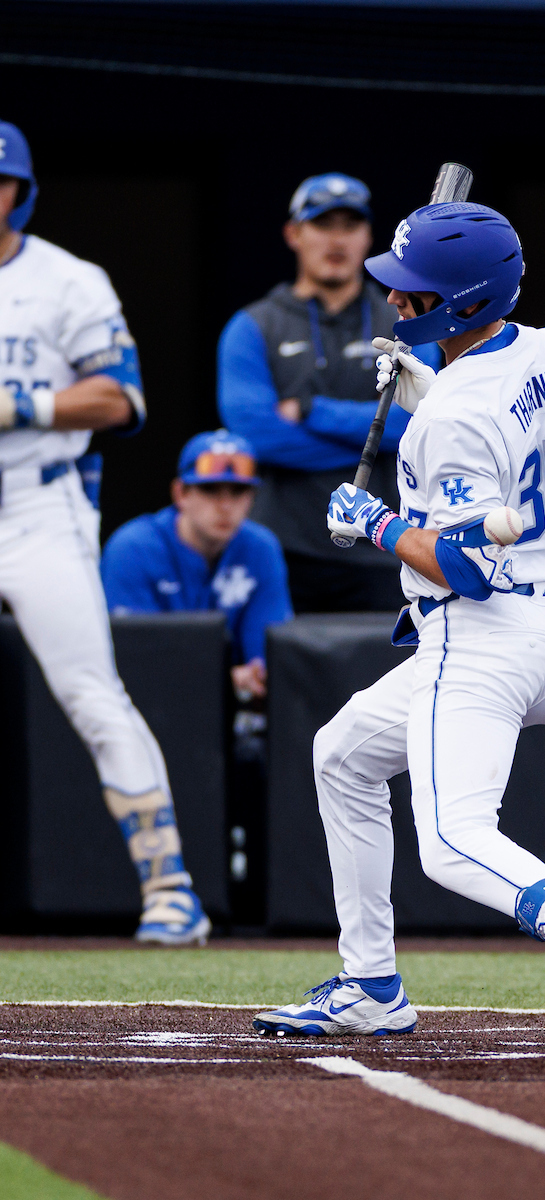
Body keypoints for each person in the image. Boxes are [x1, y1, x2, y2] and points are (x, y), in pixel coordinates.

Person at [253, 201, 545, 1051]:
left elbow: (465, 565)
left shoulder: (448, 423)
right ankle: (371, 986)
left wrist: (375, 523)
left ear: (465, 300)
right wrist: (433, 385)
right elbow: (497, 419)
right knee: (342, 756)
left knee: (450, 840)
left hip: (477, 634)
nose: (395, 300)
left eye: (414, 291)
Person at [0, 120, 209, 944]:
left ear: (20, 190)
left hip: (36, 506)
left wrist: (16, 404)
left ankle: (170, 888)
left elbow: (122, 398)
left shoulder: (66, 279)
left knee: (91, 693)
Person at [217, 173, 441, 614]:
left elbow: (418, 423)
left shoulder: (407, 320)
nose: (337, 239)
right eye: (322, 224)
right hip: (284, 549)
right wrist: (374, 440)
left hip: (385, 543)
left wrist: (309, 411)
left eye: (350, 225)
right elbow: (254, 435)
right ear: (293, 233)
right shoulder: (252, 325)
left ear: (369, 236)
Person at [101, 430, 293, 699]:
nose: (225, 506)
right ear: (181, 493)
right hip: (141, 702)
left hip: (233, 709)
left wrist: (257, 674)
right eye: (210, 489)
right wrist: (223, 680)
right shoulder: (131, 548)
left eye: (239, 491)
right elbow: (134, 659)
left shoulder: (262, 548)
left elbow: (267, 657)